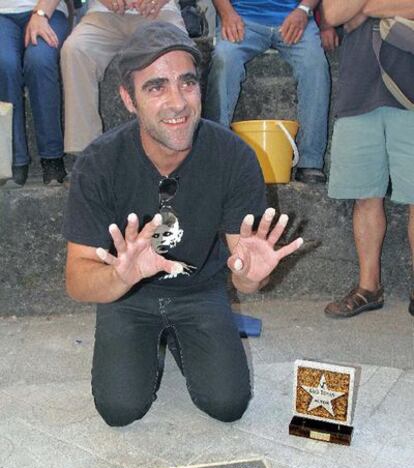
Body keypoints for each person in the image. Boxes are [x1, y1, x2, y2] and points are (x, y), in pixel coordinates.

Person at [62, 21, 303, 427]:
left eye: (187, 83)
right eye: (156, 87)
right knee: (120, 410)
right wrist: (121, 276)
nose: (177, 102)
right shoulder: (99, 163)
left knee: (228, 406)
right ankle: (153, 337)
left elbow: (242, 273)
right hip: (126, 297)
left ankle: (179, 335)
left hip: (199, 290)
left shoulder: (233, 156)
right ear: (128, 98)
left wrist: (252, 277)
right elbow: (76, 279)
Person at [322, 0, 414, 317]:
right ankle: (368, 287)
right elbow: (333, 14)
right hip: (358, 90)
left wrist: (363, 10)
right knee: (364, 195)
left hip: (409, 91)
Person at [203, 0, 334, 184]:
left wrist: (303, 10)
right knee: (224, 60)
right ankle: (213, 155)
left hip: (294, 17)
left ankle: (310, 161)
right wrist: (226, 12)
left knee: (315, 65)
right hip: (242, 17)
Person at [60, 0, 185, 155]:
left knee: (176, 53)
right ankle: (87, 155)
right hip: (102, 15)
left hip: (159, 12)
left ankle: (176, 143)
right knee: (75, 50)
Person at [0, 0, 69, 186]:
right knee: (4, 63)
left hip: (49, 11)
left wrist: (40, 14)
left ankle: (52, 157)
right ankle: (14, 159)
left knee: (40, 61)